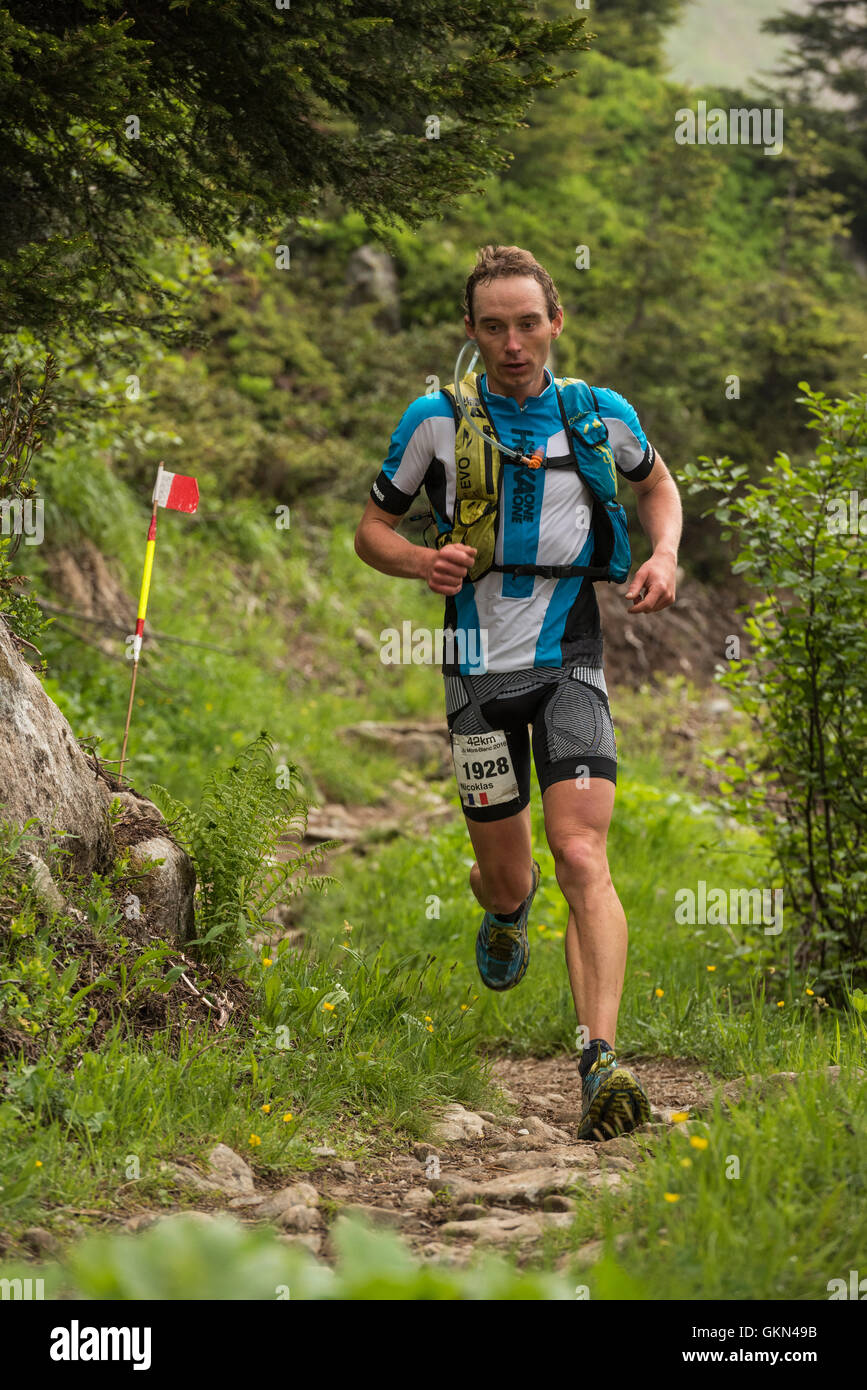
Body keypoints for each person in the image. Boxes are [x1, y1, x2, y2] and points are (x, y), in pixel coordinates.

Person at [355, 245, 682, 1139]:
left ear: (554, 324)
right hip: (473, 671)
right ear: (470, 331)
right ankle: (506, 909)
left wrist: (663, 553)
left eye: (527, 323)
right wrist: (421, 559)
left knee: (583, 856)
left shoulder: (596, 414)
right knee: (507, 876)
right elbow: (370, 529)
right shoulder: (434, 421)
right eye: (492, 326)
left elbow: (656, 484)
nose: (511, 342)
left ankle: (602, 1061)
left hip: (571, 658)